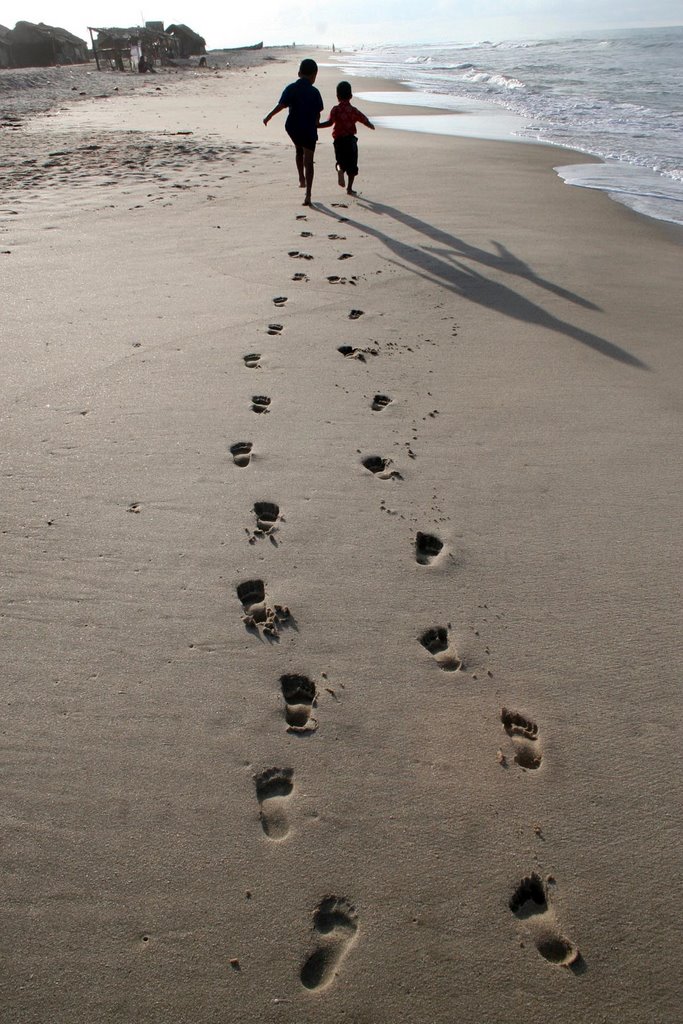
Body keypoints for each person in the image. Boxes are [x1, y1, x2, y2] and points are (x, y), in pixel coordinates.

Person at [263, 59, 324, 206]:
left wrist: (269, 116)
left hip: (293, 128)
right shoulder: (315, 92)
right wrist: (317, 123)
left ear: (299, 73)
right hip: (309, 130)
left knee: (298, 150)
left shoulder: (291, 88)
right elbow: (317, 113)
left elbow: (281, 105)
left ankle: (301, 178)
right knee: (309, 161)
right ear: (314, 75)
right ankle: (308, 194)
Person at [320, 81, 375, 196]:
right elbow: (363, 119)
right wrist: (370, 126)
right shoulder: (353, 110)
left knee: (340, 161)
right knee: (352, 165)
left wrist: (317, 125)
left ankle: (340, 170)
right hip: (351, 141)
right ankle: (349, 188)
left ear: (337, 96)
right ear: (350, 96)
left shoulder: (336, 109)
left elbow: (329, 123)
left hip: (339, 141)